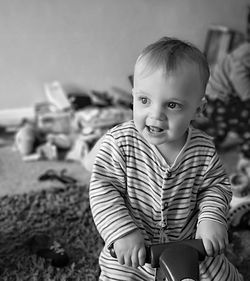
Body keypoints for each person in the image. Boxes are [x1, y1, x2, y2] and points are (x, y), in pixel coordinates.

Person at [89, 37, 243, 280]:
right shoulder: (119, 143)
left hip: (191, 248)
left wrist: (211, 219)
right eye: (144, 100)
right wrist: (121, 233)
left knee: (224, 276)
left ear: (198, 110)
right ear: (133, 97)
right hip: (136, 253)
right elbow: (103, 189)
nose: (155, 115)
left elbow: (215, 187)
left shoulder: (203, 149)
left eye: (172, 105)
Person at [195, 42, 250, 174]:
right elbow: (238, 77)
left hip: (219, 97)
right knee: (245, 120)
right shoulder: (245, 54)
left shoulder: (244, 50)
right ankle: (246, 157)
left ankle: (215, 139)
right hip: (217, 99)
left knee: (222, 127)